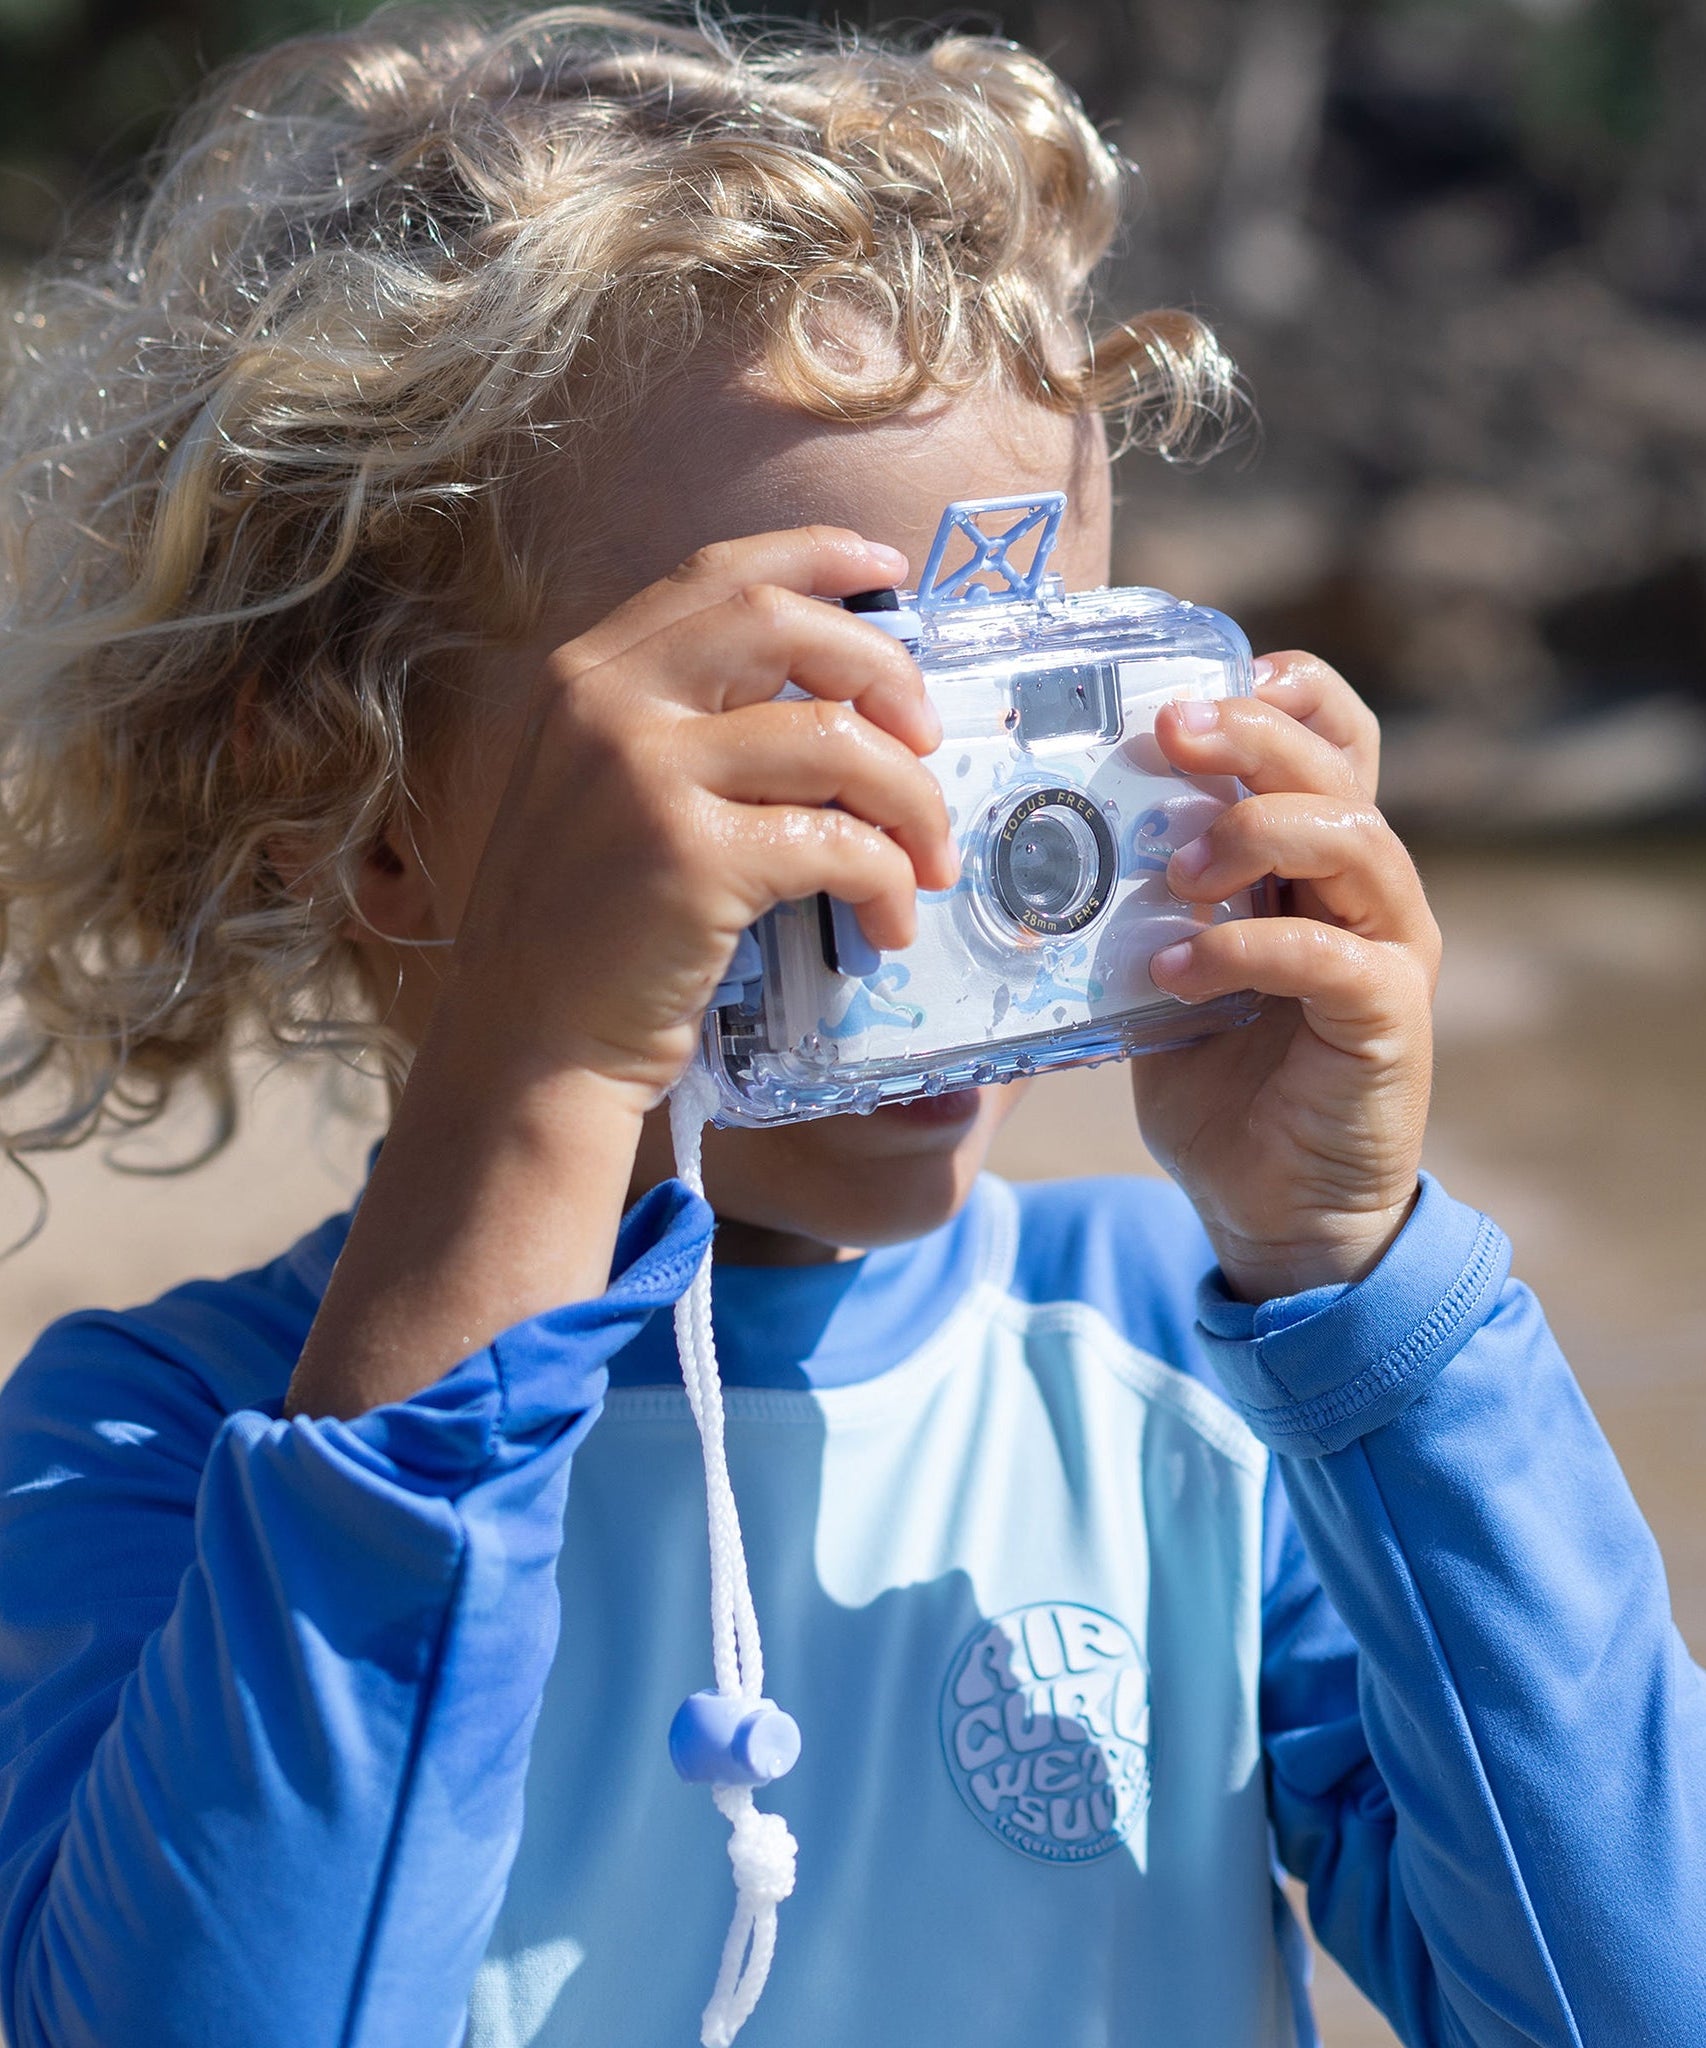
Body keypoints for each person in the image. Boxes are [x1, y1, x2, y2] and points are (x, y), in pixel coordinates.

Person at [0, 9, 1700, 2046]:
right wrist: (538, 1096)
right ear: (363, 816)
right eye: (787, 720)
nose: (926, 855)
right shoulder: (151, 1457)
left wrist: (1365, 1294)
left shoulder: (1195, 1383)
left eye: (1012, 721)